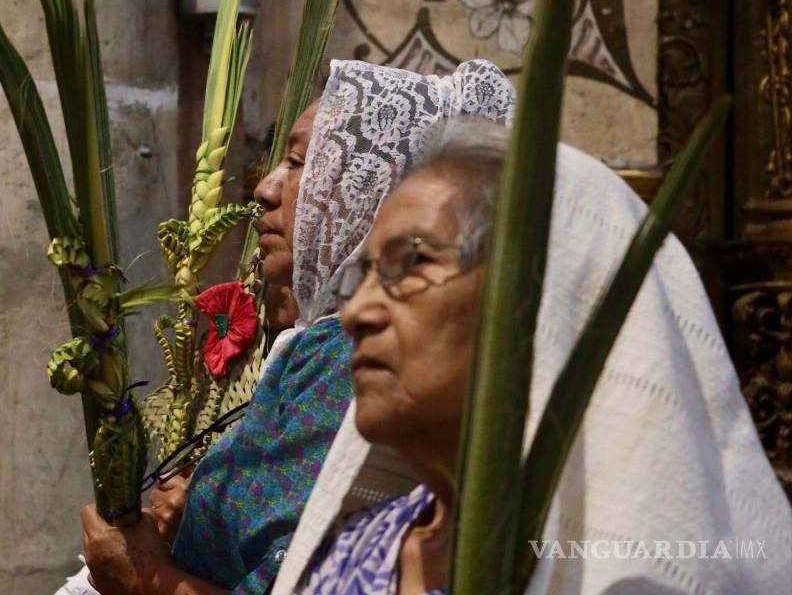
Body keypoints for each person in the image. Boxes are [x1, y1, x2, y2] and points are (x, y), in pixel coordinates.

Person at [272, 119, 792, 594]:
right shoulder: (352, 555)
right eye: (361, 276)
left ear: (540, 300)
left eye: (411, 262)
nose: (356, 313)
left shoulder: (623, 572)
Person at [79, 60, 517, 594]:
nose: (263, 189)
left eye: (296, 161)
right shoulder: (384, 547)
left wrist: (143, 578)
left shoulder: (346, 355)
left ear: (367, 190)